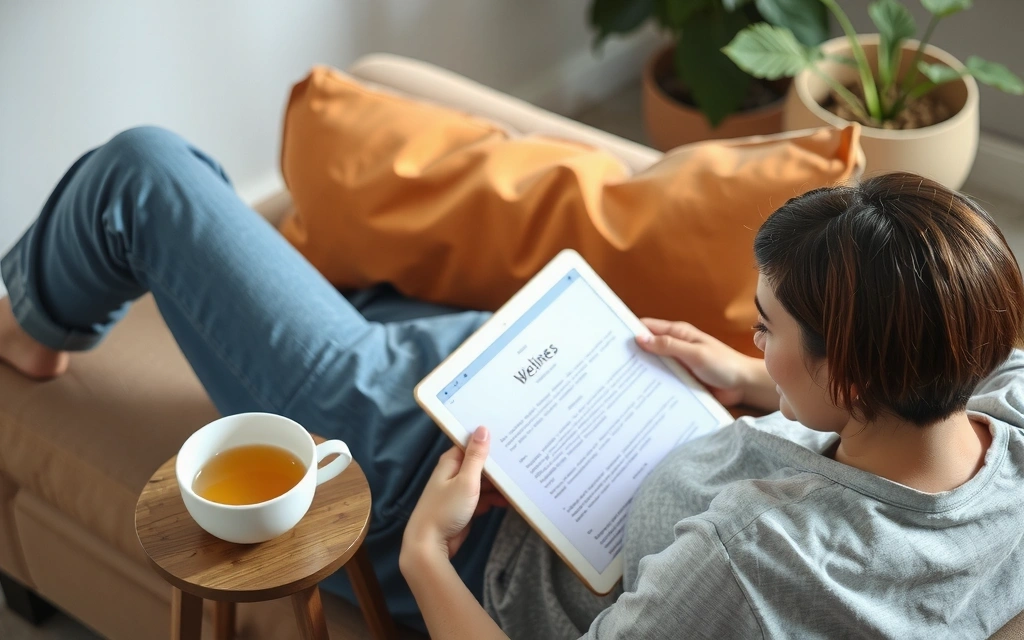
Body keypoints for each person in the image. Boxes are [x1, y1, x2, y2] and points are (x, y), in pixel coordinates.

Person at [1, 127, 1023, 639]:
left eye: (764, 326)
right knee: (385, 292)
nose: (748, 335)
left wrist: (426, 551)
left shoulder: (752, 554)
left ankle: (30, 331)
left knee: (144, 173)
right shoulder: (1005, 438)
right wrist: (753, 381)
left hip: (452, 487)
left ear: (849, 375)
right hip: (590, 424)